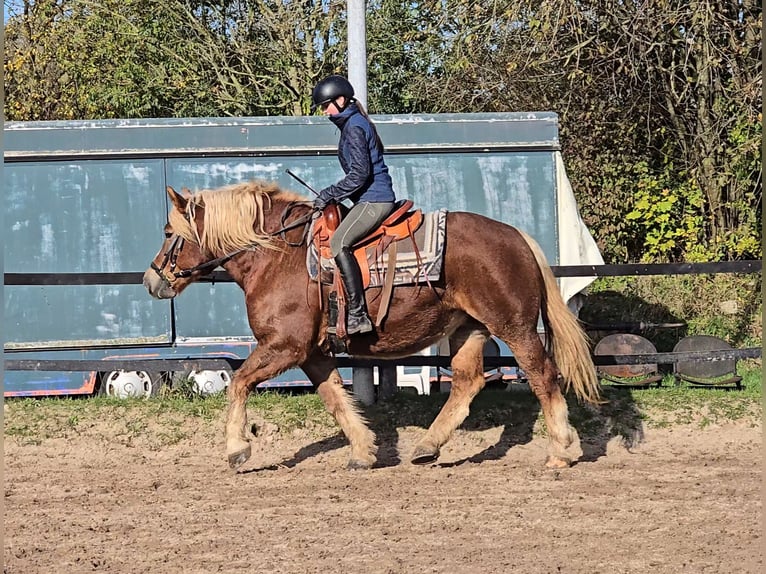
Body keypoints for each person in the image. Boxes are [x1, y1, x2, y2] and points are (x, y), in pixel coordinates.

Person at [311, 74, 396, 335]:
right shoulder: (353, 124)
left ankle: (359, 314)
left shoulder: (355, 127)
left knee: (339, 242)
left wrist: (330, 193)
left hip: (375, 200)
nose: (325, 112)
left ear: (341, 100)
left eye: (326, 106)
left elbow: (360, 174)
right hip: (366, 199)